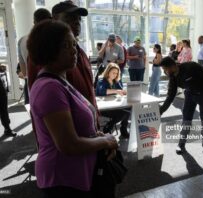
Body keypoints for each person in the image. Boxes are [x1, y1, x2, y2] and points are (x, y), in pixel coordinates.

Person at [27, 20, 118, 198]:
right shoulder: (49, 88)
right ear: (48, 50)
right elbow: (68, 144)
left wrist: (96, 136)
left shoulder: (60, 80)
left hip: (76, 175)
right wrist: (107, 141)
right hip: (62, 179)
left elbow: (76, 127)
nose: (74, 50)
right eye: (65, 46)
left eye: (74, 44)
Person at [159, 57, 203, 154]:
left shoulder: (191, 66)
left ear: (172, 66)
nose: (165, 72)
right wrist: (161, 111)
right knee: (186, 120)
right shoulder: (173, 77)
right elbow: (170, 96)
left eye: (165, 69)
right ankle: (181, 144)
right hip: (190, 95)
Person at [17, 8, 52, 104]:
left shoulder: (22, 41)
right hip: (51, 86)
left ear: (34, 21)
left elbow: (24, 72)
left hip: (31, 85)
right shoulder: (54, 39)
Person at [96, 63, 130, 138]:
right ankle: (110, 126)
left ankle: (121, 128)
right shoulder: (101, 80)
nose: (115, 75)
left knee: (128, 109)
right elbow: (103, 91)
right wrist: (116, 91)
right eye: (113, 73)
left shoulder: (116, 81)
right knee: (123, 113)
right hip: (104, 108)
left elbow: (121, 90)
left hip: (115, 106)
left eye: (116, 73)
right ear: (108, 72)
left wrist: (125, 92)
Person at [0, 65, 16, 137]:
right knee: (4, 110)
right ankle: (7, 129)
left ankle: (7, 129)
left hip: (2, 92)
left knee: (4, 110)